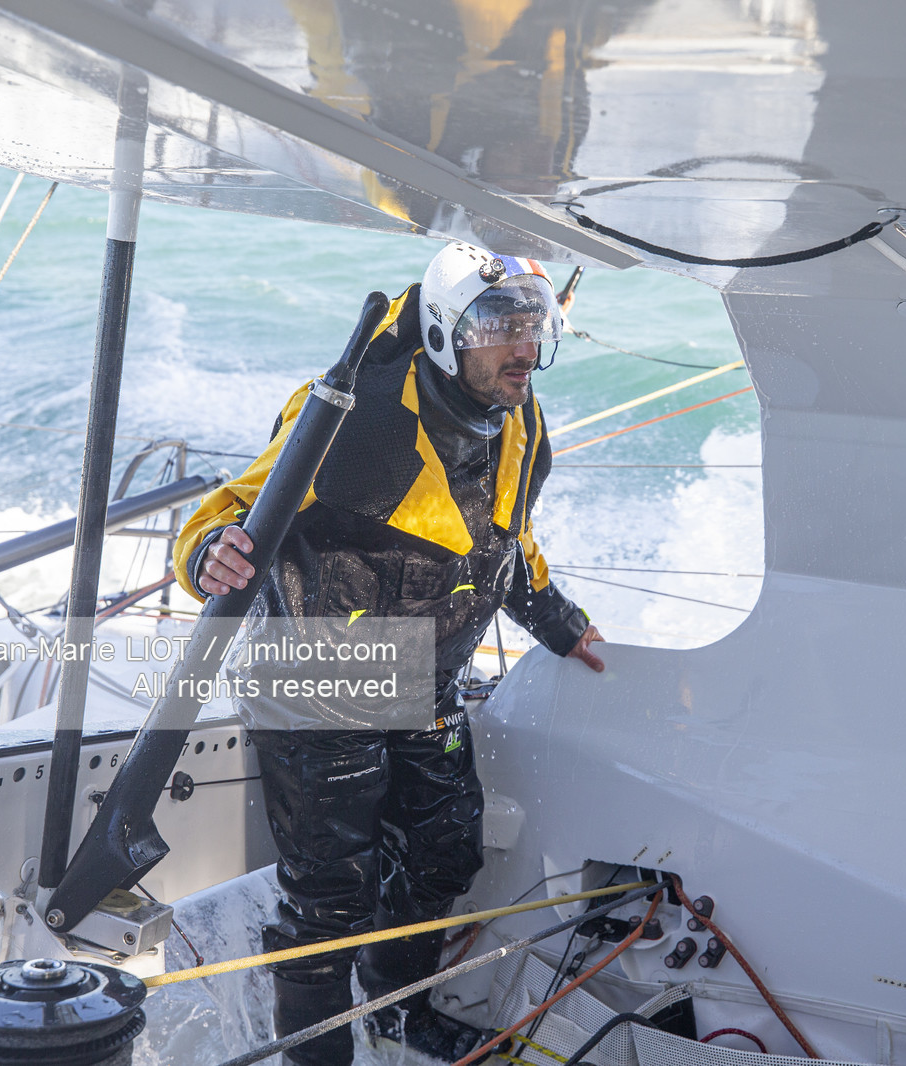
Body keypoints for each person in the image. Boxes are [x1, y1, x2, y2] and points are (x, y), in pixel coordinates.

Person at [173, 242, 604, 1066]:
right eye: (502, 331)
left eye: (534, 328)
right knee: (328, 896)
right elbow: (227, 511)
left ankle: (393, 1012)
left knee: (446, 853)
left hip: (425, 673)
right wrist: (210, 555)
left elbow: (503, 540)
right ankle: (318, 1053)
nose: (524, 350)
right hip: (318, 675)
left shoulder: (521, 415)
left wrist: (560, 623)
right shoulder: (353, 416)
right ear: (445, 336)